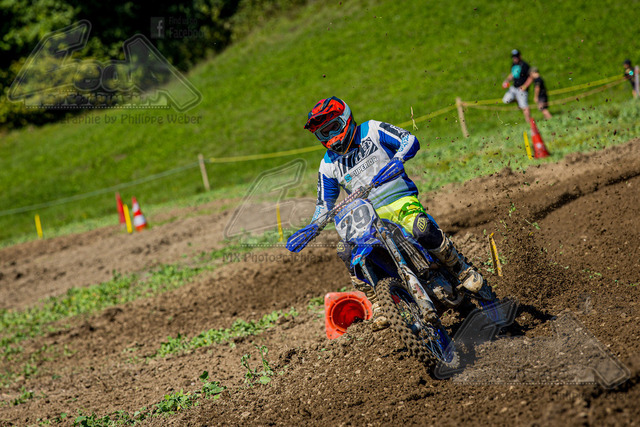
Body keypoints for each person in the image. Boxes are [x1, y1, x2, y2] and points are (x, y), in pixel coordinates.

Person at [303, 96, 486, 331]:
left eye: (333, 128)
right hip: (366, 216)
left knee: (420, 228)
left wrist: (399, 158)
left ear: (345, 119)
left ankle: (459, 267)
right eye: (323, 133)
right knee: (346, 250)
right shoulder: (328, 164)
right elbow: (324, 204)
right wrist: (313, 225)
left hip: (398, 200)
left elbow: (409, 140)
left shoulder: (371, 130)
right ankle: (379, 301)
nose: (330, 137)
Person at [502, 49, 533, 122]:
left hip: (522, 89)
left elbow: (531, 76)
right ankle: (517, 101)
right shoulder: (513, 64)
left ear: (520, 56)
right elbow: (513, 74)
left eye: (516, 56)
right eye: (513, 57)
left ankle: (529, 122)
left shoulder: (525, 65)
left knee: (524, 106)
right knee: (506, 100)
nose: (514, 58)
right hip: (514, 87)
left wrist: (525, 85)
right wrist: (506, 80)